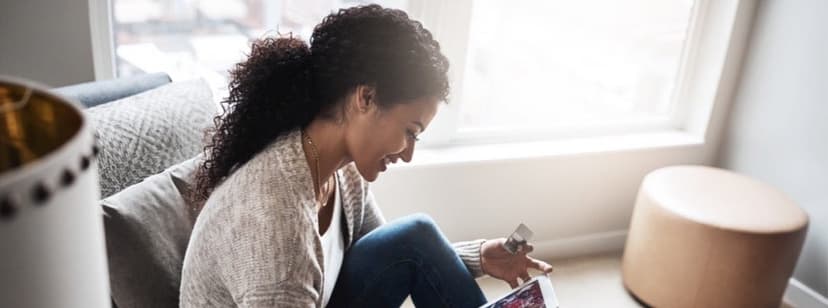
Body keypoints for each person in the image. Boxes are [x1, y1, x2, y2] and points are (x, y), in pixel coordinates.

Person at [179, 4, 553, 307]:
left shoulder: (343, 170)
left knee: (414, 235)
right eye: (410, 132)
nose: (407, 155)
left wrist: (479, 259)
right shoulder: (274, 219)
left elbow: (401, 255)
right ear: (366, 98)